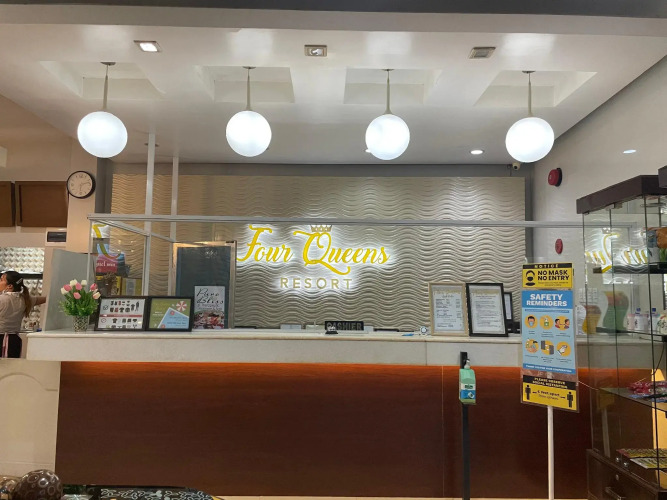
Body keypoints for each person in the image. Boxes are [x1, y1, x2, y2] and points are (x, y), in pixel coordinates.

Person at [0, 271, 46, 358]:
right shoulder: (25, 299)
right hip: (15, 341)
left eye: (1, 280)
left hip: (2, 340)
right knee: (12, 365)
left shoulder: (2, 299)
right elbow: (42, 299)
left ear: (10, 286)